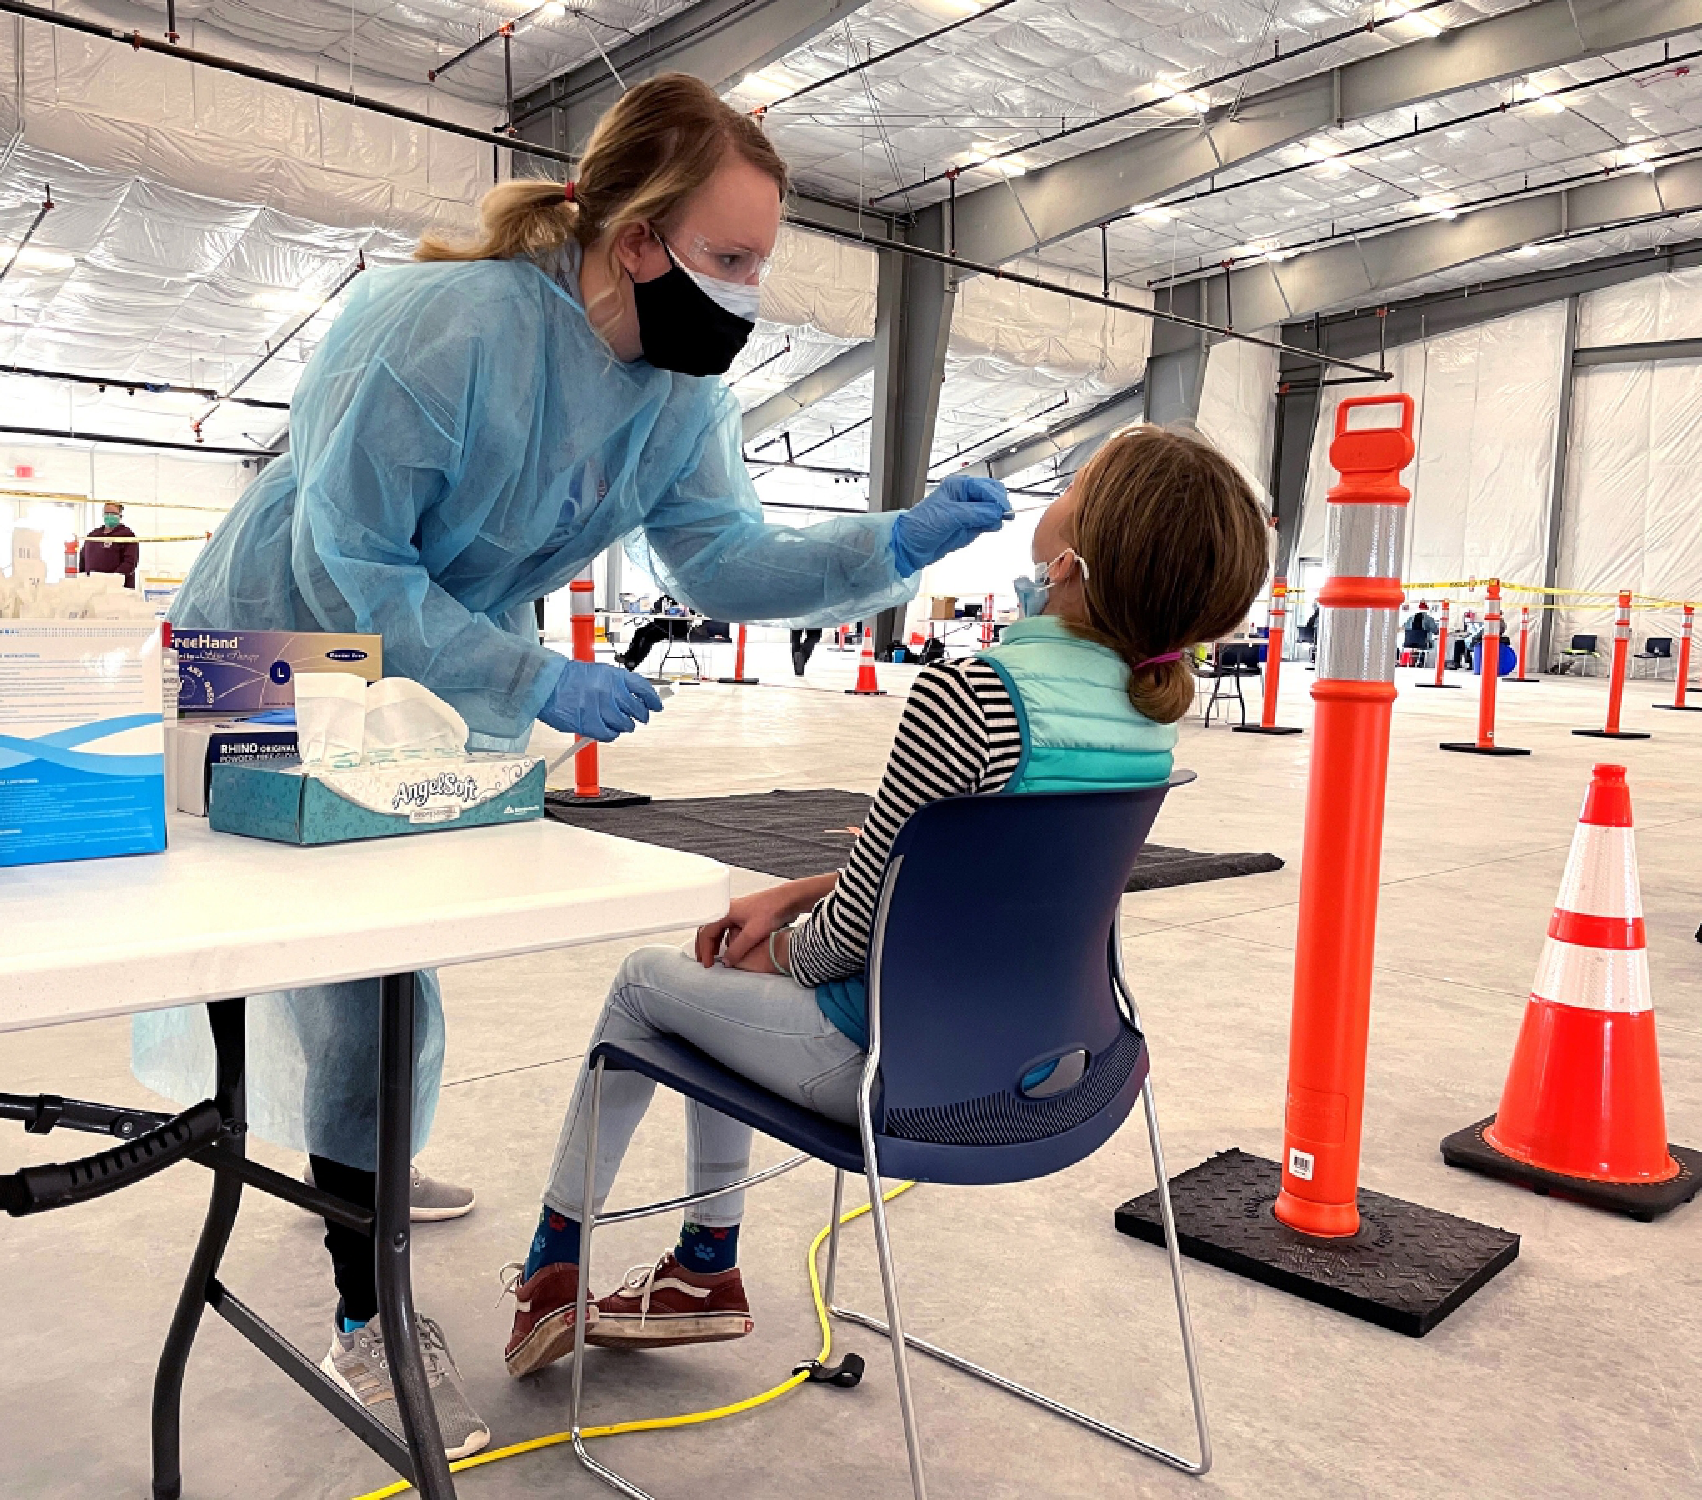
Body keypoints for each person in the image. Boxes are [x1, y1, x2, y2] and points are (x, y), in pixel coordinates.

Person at [132, 74, 1010, 1457]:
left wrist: (889, 544)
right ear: (635, 236)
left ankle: (353, 1165)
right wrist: (531, 676)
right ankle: (365, 1314)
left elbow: (720, 552)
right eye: (730, 259)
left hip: (429, 663)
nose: (746, 294)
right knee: (344, 959)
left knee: (392, 954)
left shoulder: (670, 386)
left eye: (758, 264)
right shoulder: (437, 327)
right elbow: (349, 562)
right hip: (265, 640)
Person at [502, 423, 1270, 1378]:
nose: (1057, 491)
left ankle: (566, 1267)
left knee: (649, 984)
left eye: (1078, 483)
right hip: (1068, 1068)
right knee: (717, 988)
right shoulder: (1145, 714)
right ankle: (700, 1271)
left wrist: (771, 948)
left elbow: (845, 945)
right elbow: (967, 867)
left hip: (889, 1069)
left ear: (1075, 557)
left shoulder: (976, 694)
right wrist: (796, 891)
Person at [81, 501, 139, 589]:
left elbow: (130, 563)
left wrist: (111, 581)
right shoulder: (93, 535)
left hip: (117, 590)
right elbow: (83, 558)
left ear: (120, 515)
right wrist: (83, 578)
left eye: (112, 513)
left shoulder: (127, 535)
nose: (109, 516)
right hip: (92, 587)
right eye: (106, 513)